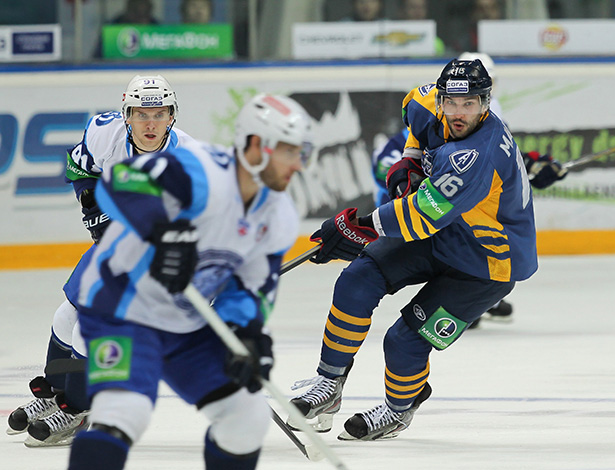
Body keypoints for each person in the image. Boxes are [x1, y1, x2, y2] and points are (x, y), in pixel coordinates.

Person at [286, 58, 538, 441]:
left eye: (469, 104)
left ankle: (397, 410)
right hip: (448, 232)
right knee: (357, 280)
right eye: (451, 103)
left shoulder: (478, 156)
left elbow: (423, 215)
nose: (458, 113)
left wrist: (360, 227)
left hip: (488, 263)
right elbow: (413, 118)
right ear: (439, 99)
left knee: (404, 340)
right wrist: (411, 159)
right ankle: (328, 385)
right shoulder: (425, 102)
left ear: (486, 104)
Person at [65, 93, 313, 470]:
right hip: (122, 308)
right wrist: (163, 229)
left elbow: (249, 288)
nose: (298, 164)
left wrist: (247, 335)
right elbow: (121, 181)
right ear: (255, 145)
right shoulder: (202, 168)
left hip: (184, 322)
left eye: (301, 153)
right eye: (290, 152)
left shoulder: (278, 216)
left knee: (246, 417)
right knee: (125, 410)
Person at [6, 75, 194, 447]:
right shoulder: (104, 133)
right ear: (127, 115)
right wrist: (92, 206)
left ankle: (77, 409)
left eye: (159, 114)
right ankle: (55, 394)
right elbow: (79, 168)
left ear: (172, 116)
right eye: (141, 114)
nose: (151, 123)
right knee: (66, 316)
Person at [370, 52, 565, 328]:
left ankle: (469, 295)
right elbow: (397, 161)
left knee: (471, 232)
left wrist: (535, 166)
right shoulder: (433, 112)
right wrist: (408, 169)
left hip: (447, 200)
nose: (463, 106)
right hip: (420, 203)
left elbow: (494, 166)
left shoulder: (488, 112)